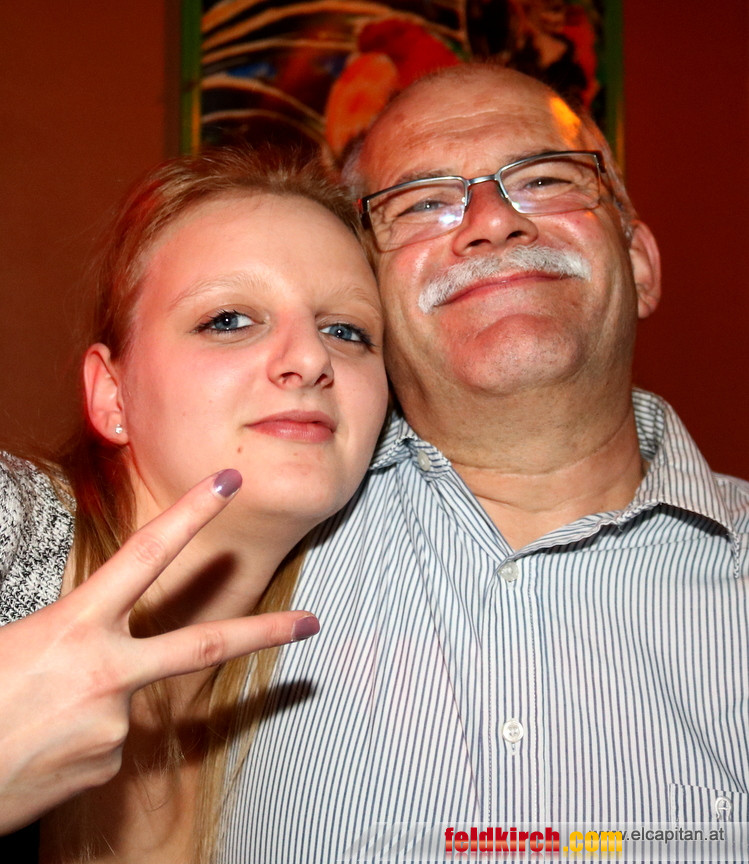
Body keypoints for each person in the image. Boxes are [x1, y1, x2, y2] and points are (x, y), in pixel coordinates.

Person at [224, 64, 749, 864]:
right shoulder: (236, 542)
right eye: (422, 202)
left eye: (543, 179)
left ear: (640, 263)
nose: (493, 221)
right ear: (364, 298)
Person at [0, 146, 388, 862]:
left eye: (347, 331)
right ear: (112, 396)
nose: (309, 359)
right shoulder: (11, 530)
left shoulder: (308, 700)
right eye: (229, 320)